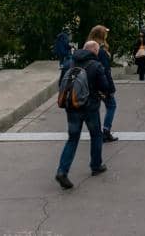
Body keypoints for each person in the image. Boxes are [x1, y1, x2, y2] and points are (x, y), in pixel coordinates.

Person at [55, 40, 112, 190]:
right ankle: (96, 165)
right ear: (94, 51)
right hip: (90, 107)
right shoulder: (96, 65)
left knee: (72, 139)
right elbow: (105, 86)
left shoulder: (69, 63)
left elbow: (61, 83)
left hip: (72, 107)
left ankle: (62, 170)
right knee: (96, 135)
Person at [86, 25, 118, 142]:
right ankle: (106, 131)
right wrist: (110, 88)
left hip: (90, 83)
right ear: (101, 35)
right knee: (112, 105)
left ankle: (96, 132)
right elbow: (106, 71)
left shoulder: (88, 48)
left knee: (95, 108)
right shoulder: (101, 51)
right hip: (102, 84)